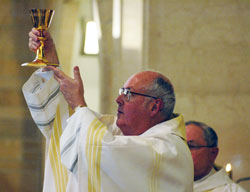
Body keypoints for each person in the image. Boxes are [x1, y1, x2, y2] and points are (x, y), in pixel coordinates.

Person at [23, 28, 194, 192]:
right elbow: (68, 124)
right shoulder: (121, 132)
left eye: (128, 94)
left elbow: (99, 150)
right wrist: (50, 63)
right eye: (121, 92)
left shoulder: (167, 150)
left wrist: (79, 104)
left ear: (154, 106)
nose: (118, 100)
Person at [185, 121, 247, 192]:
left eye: (190, 146)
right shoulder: (171, 186)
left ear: (213, 153)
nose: (182, 153)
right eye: (179, 147)